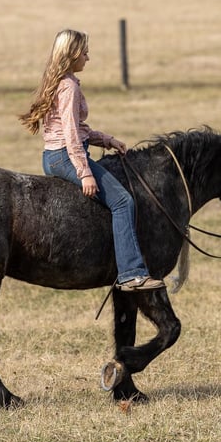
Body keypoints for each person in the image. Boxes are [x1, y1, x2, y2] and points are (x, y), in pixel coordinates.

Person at [18, 29, 165, 292]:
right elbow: (72, 134)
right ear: (73, 54)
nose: (88, 57)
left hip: (52, 156)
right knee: (122, 201)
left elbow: (76, 128)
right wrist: (84, 171)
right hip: (66, 156)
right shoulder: (69, 86)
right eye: (84, 52)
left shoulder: (60, 81)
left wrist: (107, 140)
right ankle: (131, 274)